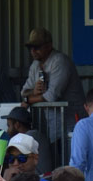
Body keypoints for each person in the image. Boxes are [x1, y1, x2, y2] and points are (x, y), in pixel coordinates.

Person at [20, 27, 85, 156]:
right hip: (54, 126)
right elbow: (24, 92)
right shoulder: (35, 65)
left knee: (72, 161)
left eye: (37, 47)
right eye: (30, 47)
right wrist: (34, 91)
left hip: (73, 124)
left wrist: (28, 100)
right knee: (57, 160)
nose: (33, 51)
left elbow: (51, 96)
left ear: (49, 46)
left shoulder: (60, 61)